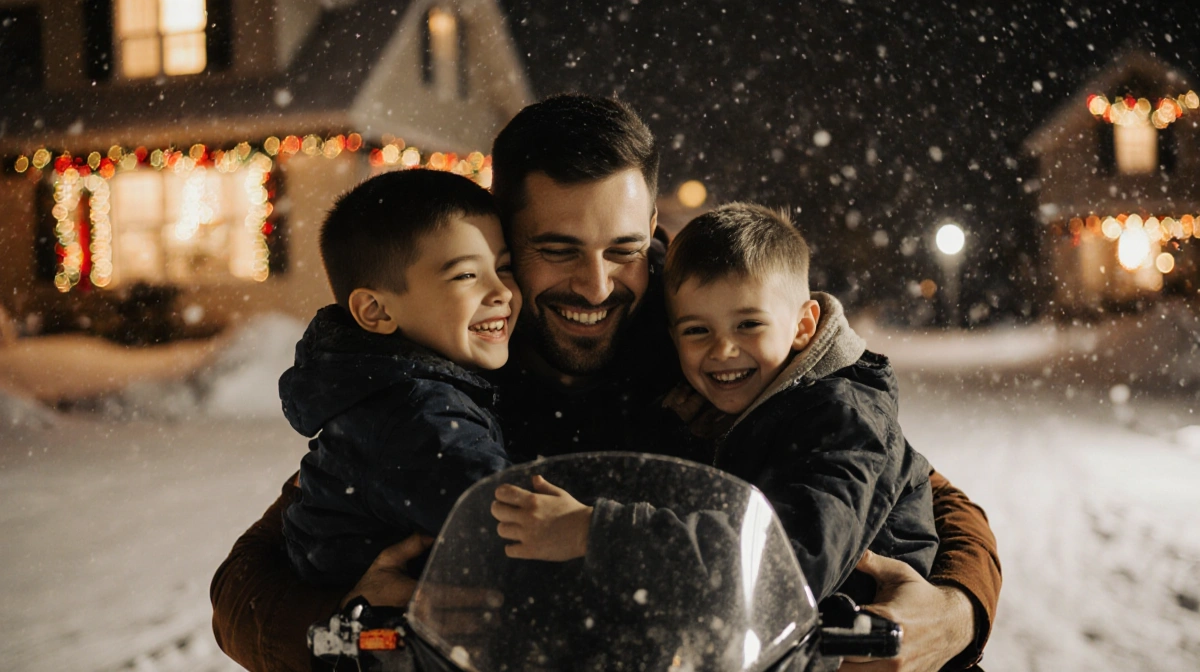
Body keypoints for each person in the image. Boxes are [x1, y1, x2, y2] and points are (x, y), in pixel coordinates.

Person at [210, 94, 1000, 672]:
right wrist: (340, 619)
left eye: (622, 248)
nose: (595, 285)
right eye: (557, 249)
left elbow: (902, 477)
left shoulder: (704, 337)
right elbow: (247, 581)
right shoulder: (457, 366)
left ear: (653, 231)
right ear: (505, 240)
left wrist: (958, 611)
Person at [492, 202, 939, 608]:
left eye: (748, 324)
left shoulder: (842, 415)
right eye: (697, 331)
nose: (723, 350)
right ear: (672, 337)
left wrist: (597, 533)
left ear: (803, 326)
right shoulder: (711, 406)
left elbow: (792, 561)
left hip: (854, 642)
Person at [280, 169, 519, 588]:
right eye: (466, 275)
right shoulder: (417, 414)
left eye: (505, 267)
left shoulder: (388, 385)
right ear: (377, 312)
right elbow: (512, 523)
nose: (501, 291)